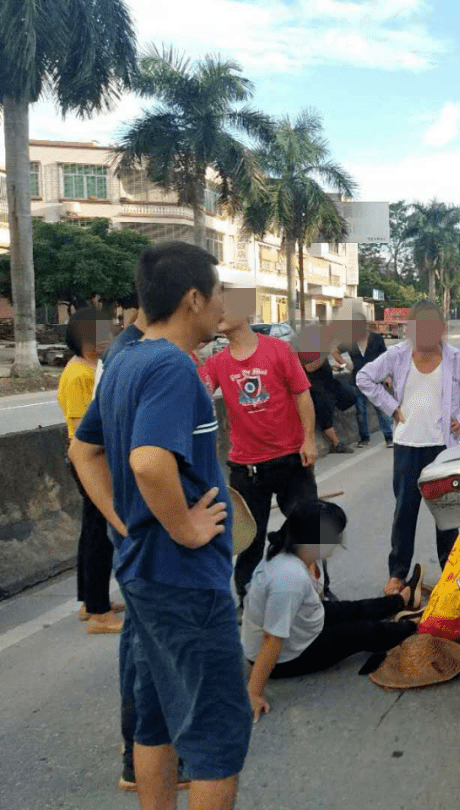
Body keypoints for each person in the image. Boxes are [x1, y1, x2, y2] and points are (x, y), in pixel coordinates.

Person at [69, 241, 251, 810]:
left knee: (155, 722)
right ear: (193, 298)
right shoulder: (172, 366)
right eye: (218, 292)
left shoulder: (124, 361)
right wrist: (185, 529)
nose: (223, 303)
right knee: (218, 736)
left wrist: (124, 519)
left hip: (143, 575)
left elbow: (83, 451)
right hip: (185, 581)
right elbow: (149, 461)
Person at [356, 299, 460, 596]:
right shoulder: (396, 356)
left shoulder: (457, 359)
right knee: (404, 512)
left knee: (447, 514)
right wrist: (390, 406)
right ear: (410, 329)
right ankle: (397, 573)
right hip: (408, 446)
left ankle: (449, 571)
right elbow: (364, 378)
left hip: (443, 449)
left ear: (442, 329)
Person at [198, 286, 320, 612]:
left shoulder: (279, 350)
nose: (220, 313)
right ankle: (247, 601)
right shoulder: (216, 363)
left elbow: (302, 394)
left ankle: (316, 594)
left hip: (292, 460)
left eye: (227, 306)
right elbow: (197, 394)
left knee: (308, 532)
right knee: (249, 540)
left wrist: (308, 439)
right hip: (247, 469)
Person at [243, 500, 423, 721]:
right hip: (286, 657)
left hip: (301, 624)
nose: (338, 541)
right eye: (334, 535)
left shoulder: (300, 554)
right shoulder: (288, 578)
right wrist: (252, 692)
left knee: (353, 609)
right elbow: (272, 640)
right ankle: (416, 624)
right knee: (362, 632)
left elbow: (317, 602)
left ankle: (400, 601)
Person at [59, 307, 124, 634]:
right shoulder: (79, 375)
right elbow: (80, 428)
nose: (108, 339)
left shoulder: (92, 367)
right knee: (101, 534)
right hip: (89, 461)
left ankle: (90, 601)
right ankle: (99, 613)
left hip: (94, 458)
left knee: (93, 532)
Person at [333, 311, 394, 449]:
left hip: (375, 380)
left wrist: (387, 376)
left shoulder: (377, 339)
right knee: (361, 410)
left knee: (381, 409)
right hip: (358, 380)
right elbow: (334, 351)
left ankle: (389, 437)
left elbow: (386, 358)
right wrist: (344, 364)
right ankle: (364, 438)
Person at [296, 324, 354, 455]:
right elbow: (310, 367)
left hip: (328, 383)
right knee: (325, 413)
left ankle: (339, 428)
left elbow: (321, 364)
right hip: (316, 388)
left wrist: (332, 367)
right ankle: (336, 443)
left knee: (349, 395)